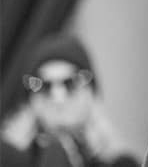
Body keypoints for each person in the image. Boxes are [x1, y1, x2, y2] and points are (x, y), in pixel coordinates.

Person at [0, 33, 138, 167]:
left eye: (71, 83)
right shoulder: (7, 158)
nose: (58, 97)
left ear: (91, 94)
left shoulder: (120, 164)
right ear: (31, 101)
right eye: (44, 86)